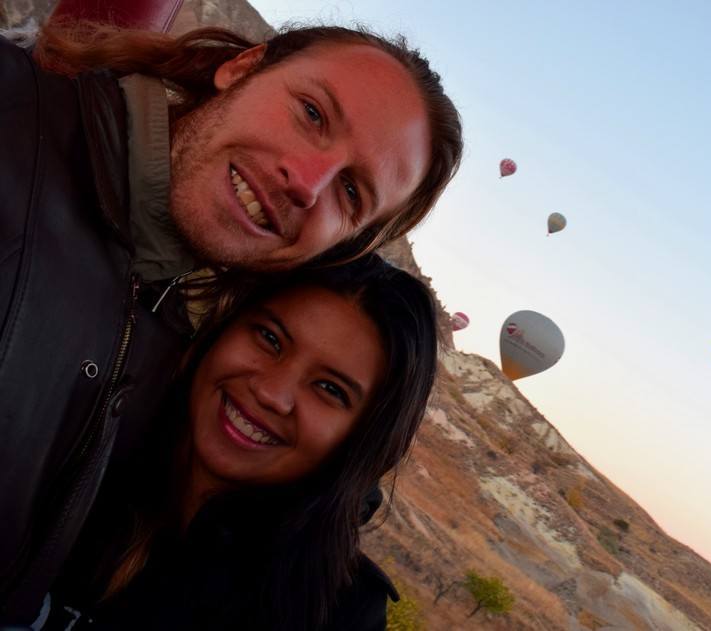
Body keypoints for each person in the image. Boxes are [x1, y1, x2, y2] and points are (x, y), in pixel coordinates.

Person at [0, 19, 461, 623]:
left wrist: (340, 479)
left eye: (351, 192)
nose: (307, 181)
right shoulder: (12, 118)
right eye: (313, 113)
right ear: (241, 68)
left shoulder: (162, 335)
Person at [33, 254, 438, 630]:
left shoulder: (336, 613)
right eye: (270, 338)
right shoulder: (65, 449)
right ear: (222, 327)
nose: (271, 393)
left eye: (330, 389)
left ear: (362, 438)